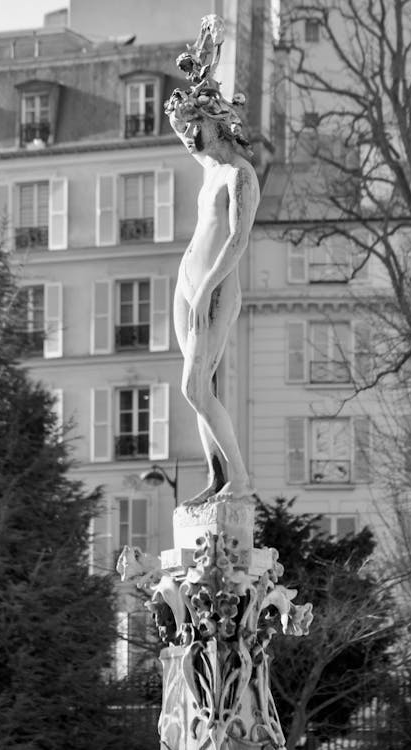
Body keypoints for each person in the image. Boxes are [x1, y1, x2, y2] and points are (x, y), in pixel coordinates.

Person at [165, 68, 260, 505]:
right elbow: (188, 131)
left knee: (194, 387)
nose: (187, 138)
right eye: (183, 130)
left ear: (212, 122)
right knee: (201, 391)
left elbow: (238, 240)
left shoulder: (239, 175)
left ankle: (239, 478)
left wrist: (205, 289)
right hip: (189, 285)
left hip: (216, 288)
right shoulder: (209, 170)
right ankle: (217, 477)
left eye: (192, 128)